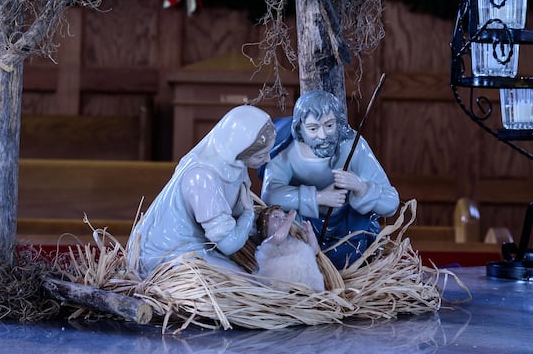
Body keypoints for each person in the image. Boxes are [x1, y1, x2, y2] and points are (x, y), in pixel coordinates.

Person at [127, 104, 276, 277]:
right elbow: (228, 243)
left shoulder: (235, 165)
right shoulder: (203, 178)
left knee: (259, 277)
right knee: (248, 286)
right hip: (170, 254)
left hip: (203, 245)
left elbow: (235, 217)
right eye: (260, 155)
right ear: (237, 150)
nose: (268, 159)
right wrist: (249, 215)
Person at [261, 90, 399, 268]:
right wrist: (318, 197)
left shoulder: (354, 147)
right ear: (299, 128)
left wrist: (361, 187)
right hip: (305, 227)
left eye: (329, 126)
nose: (323, 136)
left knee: (356, 246)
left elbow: (391, 203)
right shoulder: (287, 153)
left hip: (348, 229)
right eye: (313, 129)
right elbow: (270, 194)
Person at [253, 205, 325, 290]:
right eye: (276, 217)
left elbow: (314, 250)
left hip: (306, 283)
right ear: (264, 225)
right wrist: (289, 218)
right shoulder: (268, 242)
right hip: (280, 283)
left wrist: (309, 233)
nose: (282, 220)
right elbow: (278, 237)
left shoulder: (293, 242)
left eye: (284, 217)